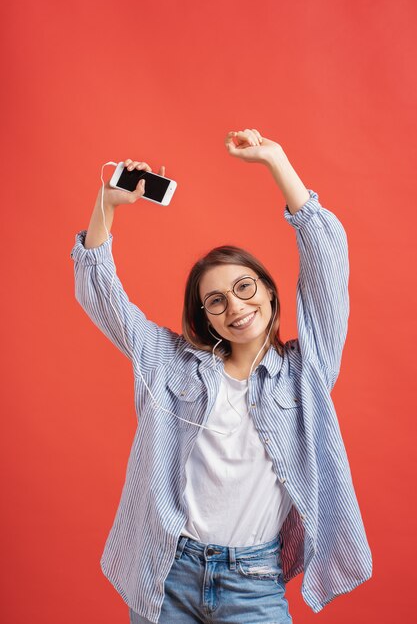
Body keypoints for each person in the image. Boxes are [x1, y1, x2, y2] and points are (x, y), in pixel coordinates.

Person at [70, 129, 372, 623]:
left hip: (254, 582)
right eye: (216, 301)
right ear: (206, 317)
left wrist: (276, 160)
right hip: (168, 576)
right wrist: (107, 204)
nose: (236, 306)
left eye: (245, 286)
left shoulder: (305, 371)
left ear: (271, 294)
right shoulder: (168, 362)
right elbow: (101, 294)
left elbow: (328, 258)